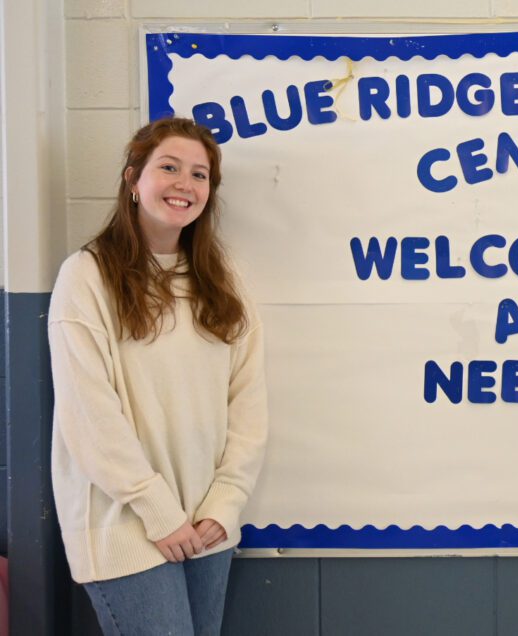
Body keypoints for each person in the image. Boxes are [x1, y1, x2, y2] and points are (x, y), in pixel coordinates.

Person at [48, 118, 268, 635]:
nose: (184, 185)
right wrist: (156, 509)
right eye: (168, 167)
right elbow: (89, 412)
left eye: (199, 174)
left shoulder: (223, 278)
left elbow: (248, 400)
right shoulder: (86, 275)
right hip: (127, 524)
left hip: (208, 523)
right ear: (133, 179)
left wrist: (226, 502)